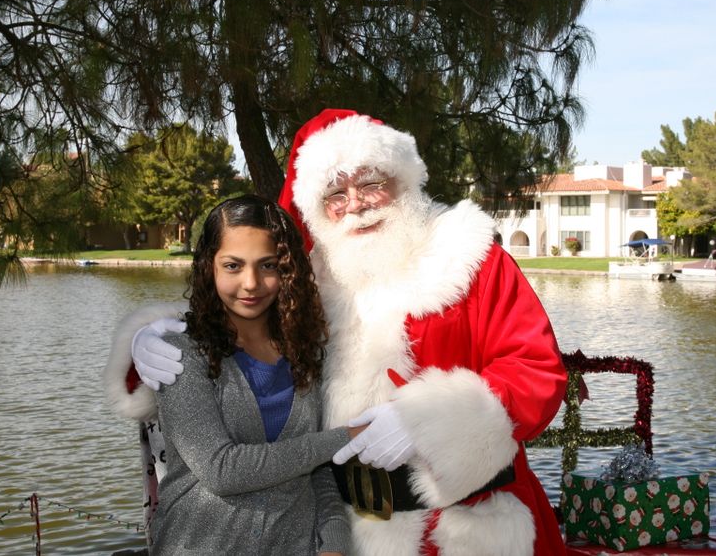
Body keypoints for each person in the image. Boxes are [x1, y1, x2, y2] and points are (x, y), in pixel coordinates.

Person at [116, 110, 568, 556]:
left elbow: (536, 371)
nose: (355, 203)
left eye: (371, 182)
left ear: (402, 179)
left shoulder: (467, 257)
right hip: (348, 530)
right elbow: (230, 333)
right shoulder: (304, 282)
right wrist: (147, 341)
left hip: (469, 524)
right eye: (335, 191)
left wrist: (430, 420)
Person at [108, 194, 359, 555]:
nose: (251, 283)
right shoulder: (180, 354)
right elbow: (222, 471)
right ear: (209, 266)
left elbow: (317, 470)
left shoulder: (304, 350)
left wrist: (334, 543)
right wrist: (345, 438)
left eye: (268, 265)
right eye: (233, 266)